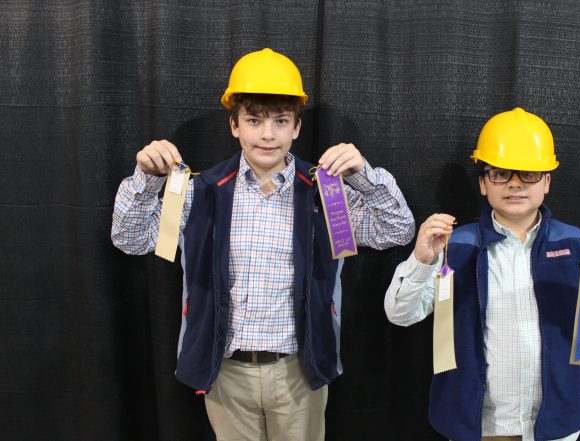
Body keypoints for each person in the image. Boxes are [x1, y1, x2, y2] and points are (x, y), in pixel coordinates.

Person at [112, 48, 415, 441]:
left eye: (280, 121)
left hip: (299, 371)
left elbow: (397, 229)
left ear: (297, 128)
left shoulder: (325, 194)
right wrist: (147, 178)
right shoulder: (199, 191)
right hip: (226, 372)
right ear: (235, 126)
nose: (268, 134)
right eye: (254, 120)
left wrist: (362, 175)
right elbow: (131, 239)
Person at [384, 108, 580, 441]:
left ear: (547, 182)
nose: (514, 183)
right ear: (483, 183)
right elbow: (401, 315)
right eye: (500, 173)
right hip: (475, 427)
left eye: (529, 174)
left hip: (555, 429)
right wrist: (422, 261)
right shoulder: (452, 247)